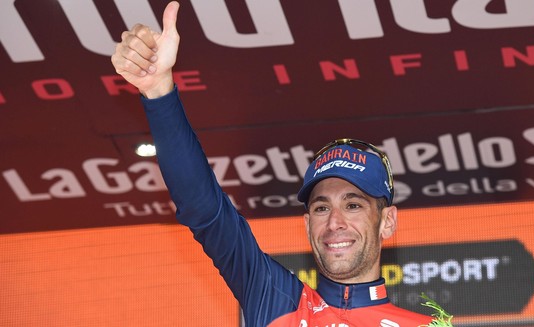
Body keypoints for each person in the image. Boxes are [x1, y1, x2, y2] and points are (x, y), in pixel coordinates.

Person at [111, 2, 433, 326]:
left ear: (387, 222)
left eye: (353, 204)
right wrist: (159, 91)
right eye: (321, 208)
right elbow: (204, 210)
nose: (335, 222)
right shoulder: (273, 297)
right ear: (307, 224)